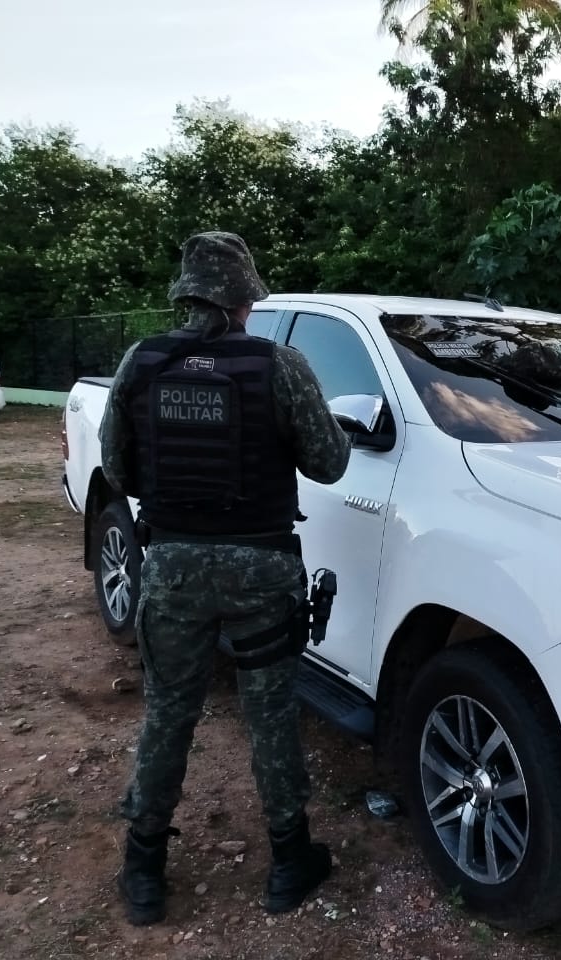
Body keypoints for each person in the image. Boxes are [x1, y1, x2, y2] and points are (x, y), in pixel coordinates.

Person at [98, 231, 352, 926]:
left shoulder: (141, 362)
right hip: (263, 570)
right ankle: (288, 862)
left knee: (169, 712)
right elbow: (330, 464)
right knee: (269, 716)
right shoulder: (281, 363)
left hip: (173, 567)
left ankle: (144, 870)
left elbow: (117, 470)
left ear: (185, 293)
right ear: (245, 299)